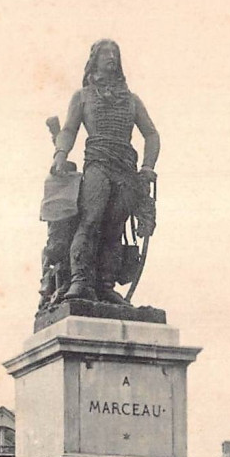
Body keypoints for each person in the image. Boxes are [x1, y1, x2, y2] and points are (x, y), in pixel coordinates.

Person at [51, 40, 160, 303]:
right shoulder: (83, 96)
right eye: (105, 53)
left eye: (115, 54)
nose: (111, 57)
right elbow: (68, 130)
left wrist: (147, 167)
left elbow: (152, 134)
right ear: (94, 60)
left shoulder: (132, 100)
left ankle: (106, 285)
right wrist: (60, 155)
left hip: (125, 168)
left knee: (115, 227)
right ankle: (79, 281)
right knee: (91, 219)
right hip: (98, 163)